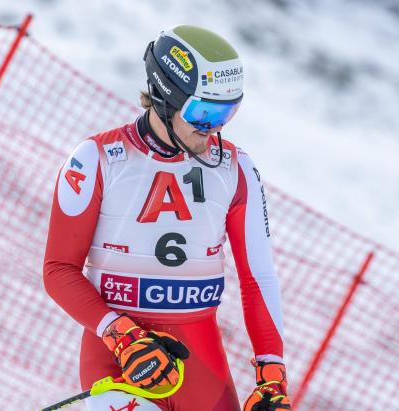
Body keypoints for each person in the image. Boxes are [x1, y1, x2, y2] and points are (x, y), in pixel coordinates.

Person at [44, 24, 292, 411]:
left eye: (228, 112)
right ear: (164, 96)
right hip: (121, 354)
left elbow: (257, 277)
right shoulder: (97, 159)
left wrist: (272, 376)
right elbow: (59, 269)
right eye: (204, 112)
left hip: (200, 354)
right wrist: (121, 334)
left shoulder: (236, 169)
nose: (215, 127)